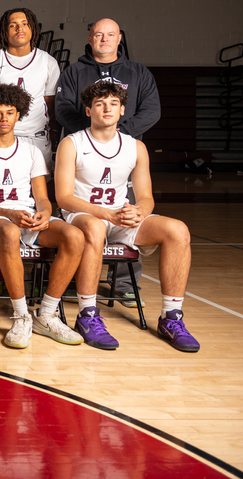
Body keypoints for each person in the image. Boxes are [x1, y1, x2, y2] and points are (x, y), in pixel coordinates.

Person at [55, 82, 199, 352]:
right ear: (88, 111)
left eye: (113, 103)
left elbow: (146, 197)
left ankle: (171, 317)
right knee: (95, 228)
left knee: (177, 230)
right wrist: (107, 213)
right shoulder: (72, 143)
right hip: (83, 216)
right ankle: (87, 314)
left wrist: (138, 211)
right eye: (99, 104)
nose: (107, 108)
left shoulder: (136, 147)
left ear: (122, 110)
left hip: (120, 218)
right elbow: (64, 198)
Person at [0, 83, 86, 350]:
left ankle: (46, 315)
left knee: (75, 236)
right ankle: (21, 316)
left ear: (18, 115)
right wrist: (9, 213)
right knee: (10, 232)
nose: (4, 118)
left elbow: (42, 197)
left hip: (28, 215)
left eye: (10, 112)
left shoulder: (31, 151)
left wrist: (45, 213)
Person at [55, 17, 162, 304]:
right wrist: (95, 133)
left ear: (119, 38)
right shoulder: (74, 71)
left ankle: (124, 283)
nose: (104, 39)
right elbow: (63, 109)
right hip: (85, 152)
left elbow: (152, 110)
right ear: (90, 39)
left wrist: (117, 133)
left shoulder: (138, 72)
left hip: (122, 153)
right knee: (81, 217)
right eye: (98, 34)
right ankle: (72, 279)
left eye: (110, 34)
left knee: (126, 212)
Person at [0, 8, 60, 169]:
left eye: (24, 24)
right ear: (4, 31)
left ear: (32, 29)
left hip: (36, 136)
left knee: (38, 184)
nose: (19, 28)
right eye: (13, 25)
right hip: (0, 137)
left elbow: (50, 103)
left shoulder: (47, 62)